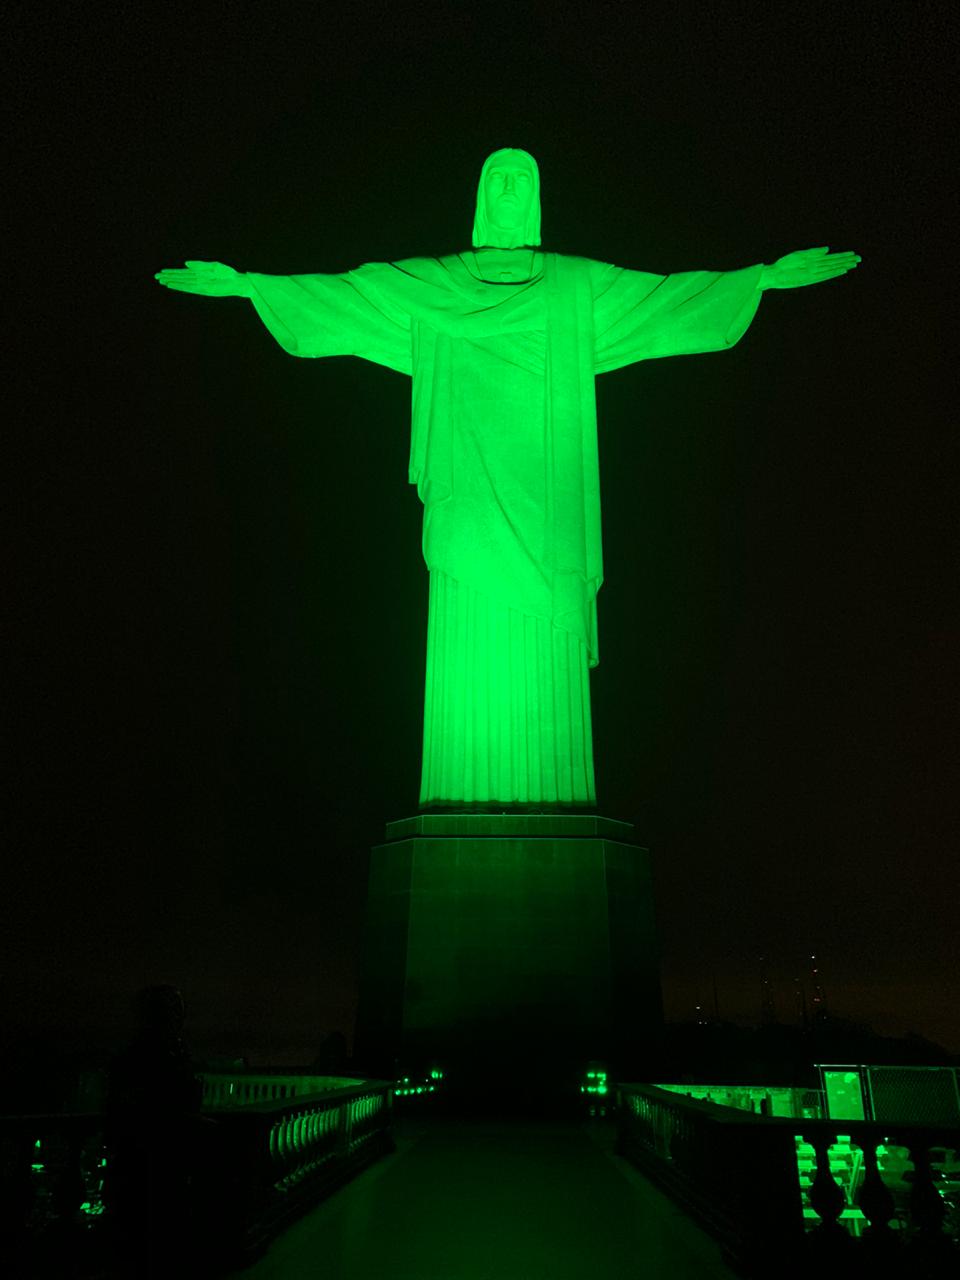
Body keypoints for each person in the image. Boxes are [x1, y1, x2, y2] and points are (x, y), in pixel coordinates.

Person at [156, 148, 859, 809]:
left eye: (525, 180)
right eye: (501, 179)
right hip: (467, 499)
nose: (513, 192)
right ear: (482, 196)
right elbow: (348, 296)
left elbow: (663, 303)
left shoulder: (574, 288)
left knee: (545, 647)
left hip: (547, 508)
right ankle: (461, 792)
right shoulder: (435, 285)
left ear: (539, 199)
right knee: (470, 638)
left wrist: (759, 279)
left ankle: (553, 793)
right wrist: (250, 287)